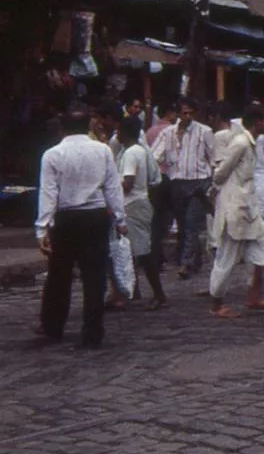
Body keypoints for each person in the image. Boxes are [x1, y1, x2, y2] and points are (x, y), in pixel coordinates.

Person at [36, 105, 127, 347]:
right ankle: (93, 331)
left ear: (62, 128)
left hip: (66, 218)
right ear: (88, 125)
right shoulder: (103, 151)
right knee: (94, 276)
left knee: (59, 273)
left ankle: (54, 325)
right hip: (95, 216)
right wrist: (120, 218)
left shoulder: (52, 154)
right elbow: (113, 187)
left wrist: (42, 227)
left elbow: (48, 193)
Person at [209, 103, 264, 318]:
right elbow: (220, 173)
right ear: (257, 122)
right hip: (235, 207)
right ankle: (216, 304)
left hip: (247, 207)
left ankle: (254, 294)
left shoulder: (249, 143)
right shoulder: (240, 143)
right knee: (227, 257)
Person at [150, 97, 213, 279]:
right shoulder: (167, 133)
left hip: (199, 182)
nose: (187, 116)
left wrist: (212, 184)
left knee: (192, 223)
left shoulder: (204, 132)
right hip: (176, 183)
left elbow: (214, 158)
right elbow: (155, 156)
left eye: (191, 113)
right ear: (177, 113)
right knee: (184, 224)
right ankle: (195, 259)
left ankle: (186, 263)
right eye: (184, 113)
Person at [115, 115, 167, 310]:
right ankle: (132, 290)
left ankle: (159, 293)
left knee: (143, 251)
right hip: (138, 202)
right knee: (134, 250)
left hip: (134, 203)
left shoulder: (130, 153)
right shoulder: (138, 151)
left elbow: (127, 183)